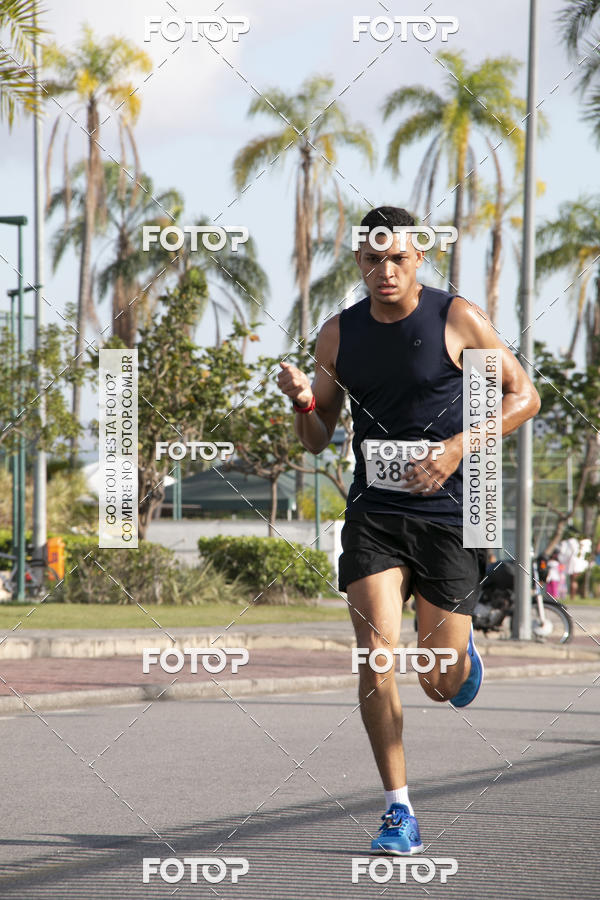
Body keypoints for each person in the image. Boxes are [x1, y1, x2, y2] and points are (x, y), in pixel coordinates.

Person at [276, 206, 540, 855]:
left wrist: (455, 448)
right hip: (375, 515)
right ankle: (398, 809)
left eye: (397, 258)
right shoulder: (338, 335)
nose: (385, 270)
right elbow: (317, 438)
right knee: (375, 655)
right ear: (359, 262)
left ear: (419, 257)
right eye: (373, 259)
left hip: (450, 515)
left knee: (438, 681)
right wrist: (303, 401)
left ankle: (460, 660)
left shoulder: (457, 317)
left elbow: (524, 396)